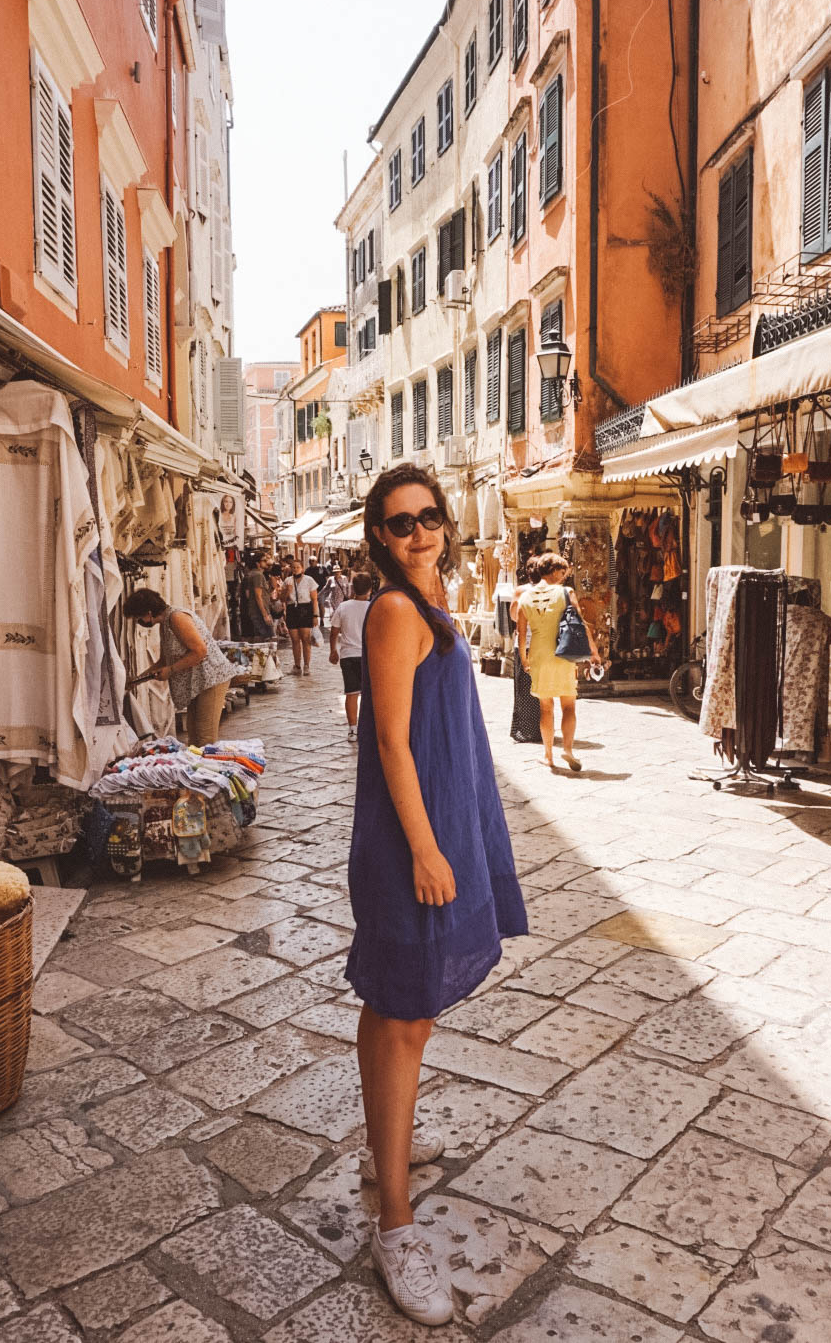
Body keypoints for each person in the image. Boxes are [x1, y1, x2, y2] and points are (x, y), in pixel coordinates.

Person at [348, 462, 527, 1326]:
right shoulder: (391, 610)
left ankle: (387, 1148)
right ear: (379, 537)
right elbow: (388, 741)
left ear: (445, 523)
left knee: (393, 1007)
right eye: (398, 522)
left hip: (432, 828)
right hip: (405, 840)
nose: (417, 532)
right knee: (407, 1012)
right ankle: (395, 1225)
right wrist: (424, 846)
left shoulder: (431, 603)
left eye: (427, 517)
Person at [516, 553, 601, 771]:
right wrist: (594, 652)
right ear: (554, 571)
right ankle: (568, 750)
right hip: (565, 654)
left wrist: (525, 660)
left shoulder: (525, 597)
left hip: (539, 656)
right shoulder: (566, 592)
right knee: (569, 705)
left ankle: (548, 755)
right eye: (562, 573)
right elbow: (580, 623)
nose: (563, 578)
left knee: (546, 708)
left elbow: (521, 632)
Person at [122, 588, 237, 745]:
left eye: (138, 617)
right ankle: (197, 765)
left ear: (149, 612)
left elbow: (200, 651)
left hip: (212, 679)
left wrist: (171, 671)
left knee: (205, 737)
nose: (139, 622)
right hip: (198, 682)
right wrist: (137, 680)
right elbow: (164, 661)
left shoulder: (176, 617)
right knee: (194, 736)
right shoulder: (165, 623)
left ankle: (209, 767)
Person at [329, 572, 373, 740]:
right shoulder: (372, 607)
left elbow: (334, 632)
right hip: (367, 656)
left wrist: (333, 650)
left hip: (348, 656)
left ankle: (352, 730)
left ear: (353, 588)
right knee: (369, 694)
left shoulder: (344, 607)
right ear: (370, 589)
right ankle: (367, 727)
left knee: (351, 693)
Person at [510, 556, 544, 744]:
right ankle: (541, 728)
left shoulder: (521, 591)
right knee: (541, 688)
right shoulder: (551, 592)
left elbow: (514, 616)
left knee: (524, 689)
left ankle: (525, 729)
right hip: (544, 645)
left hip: (525, 644)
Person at [285, 558, 320, 675]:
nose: (295, 569)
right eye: (293, 567)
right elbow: (282, 599)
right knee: (295, 640)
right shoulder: (288, 581)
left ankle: (306, 666)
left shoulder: (309, 580)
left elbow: (315, 599)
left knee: (305, 639)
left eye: (297, 567)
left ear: (302, 568)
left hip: (305, 609)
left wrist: (315, 615)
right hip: (292, 610)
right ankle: (297, 666)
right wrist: (287, 591)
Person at [240, 551, 274, 640]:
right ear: (258, 563)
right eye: (264, 560)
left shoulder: (253, 574)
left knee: (263, 638)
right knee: (266, 639)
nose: (267, 562)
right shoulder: (257, 575)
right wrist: (265, 615)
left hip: (257, 611)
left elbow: (250, 594)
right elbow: (258, 596)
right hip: (259, 612)